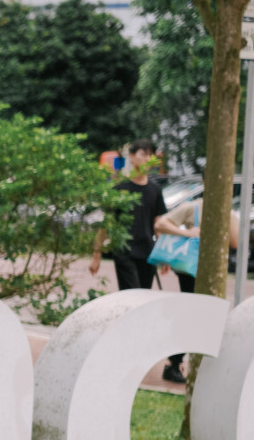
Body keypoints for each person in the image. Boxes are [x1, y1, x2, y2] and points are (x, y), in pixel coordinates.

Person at [151, 196, 240, 384]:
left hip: (213, 270)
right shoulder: (192, 208)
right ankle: (174, 363)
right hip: (189, 269)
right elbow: (160, 224)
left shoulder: (229, 210)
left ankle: (197, 365)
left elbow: (235, 242)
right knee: (190, 315)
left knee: (207, 316)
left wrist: (230, 216)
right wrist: (187, 233)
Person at [90, 140, 168, 294]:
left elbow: (158, 224)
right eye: (143, 154)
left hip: (148, 252)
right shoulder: (120, 188)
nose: (147, 159)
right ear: (132, 157)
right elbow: (107, 223)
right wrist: (96, 254)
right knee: (130, 295)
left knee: (144, 297)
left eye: (150, 155)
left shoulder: (155, 190)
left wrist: (163, 254)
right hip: (125, 252)